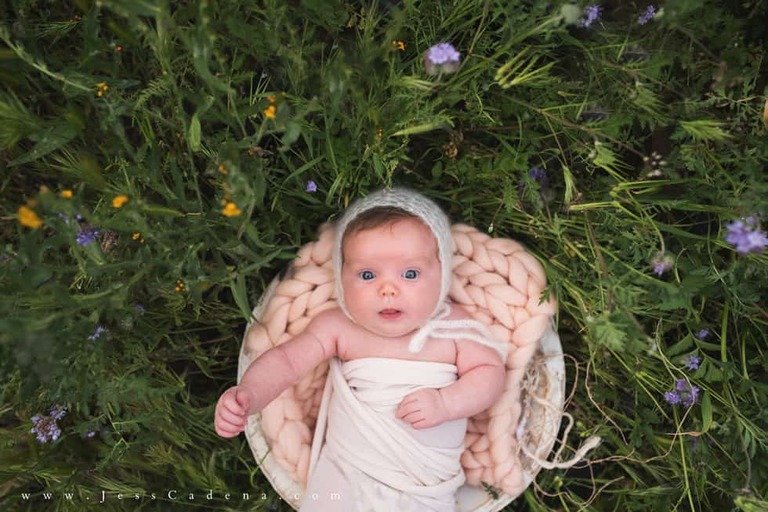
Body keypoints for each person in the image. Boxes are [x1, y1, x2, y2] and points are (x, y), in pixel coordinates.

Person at [214, 188, 507, 511]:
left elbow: (490, 375)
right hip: (350, 470)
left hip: (422, 485)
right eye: (367, 274)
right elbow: (286, 361)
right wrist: (249, 395)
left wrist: (446, 402)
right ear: (341, 279)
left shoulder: (453, 327)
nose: (388, 289)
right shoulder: (339, 326)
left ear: (442, 274)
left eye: (410, 273)